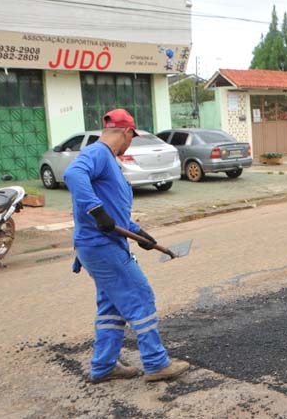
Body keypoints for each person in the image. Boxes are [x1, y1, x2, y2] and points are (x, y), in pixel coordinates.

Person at [64, 109, 189, 384]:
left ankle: (103, 366)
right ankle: (156, 363)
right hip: (101, 246)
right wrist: (96, 212)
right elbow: (73, 175)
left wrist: (139, 233)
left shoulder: (106, 159)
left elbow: (114, 213)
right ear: (126, 132)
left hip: (101, 245)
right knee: (140, 296)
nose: (130, 143)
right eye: (132, 137)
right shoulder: (99, 153)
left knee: (112, 306)